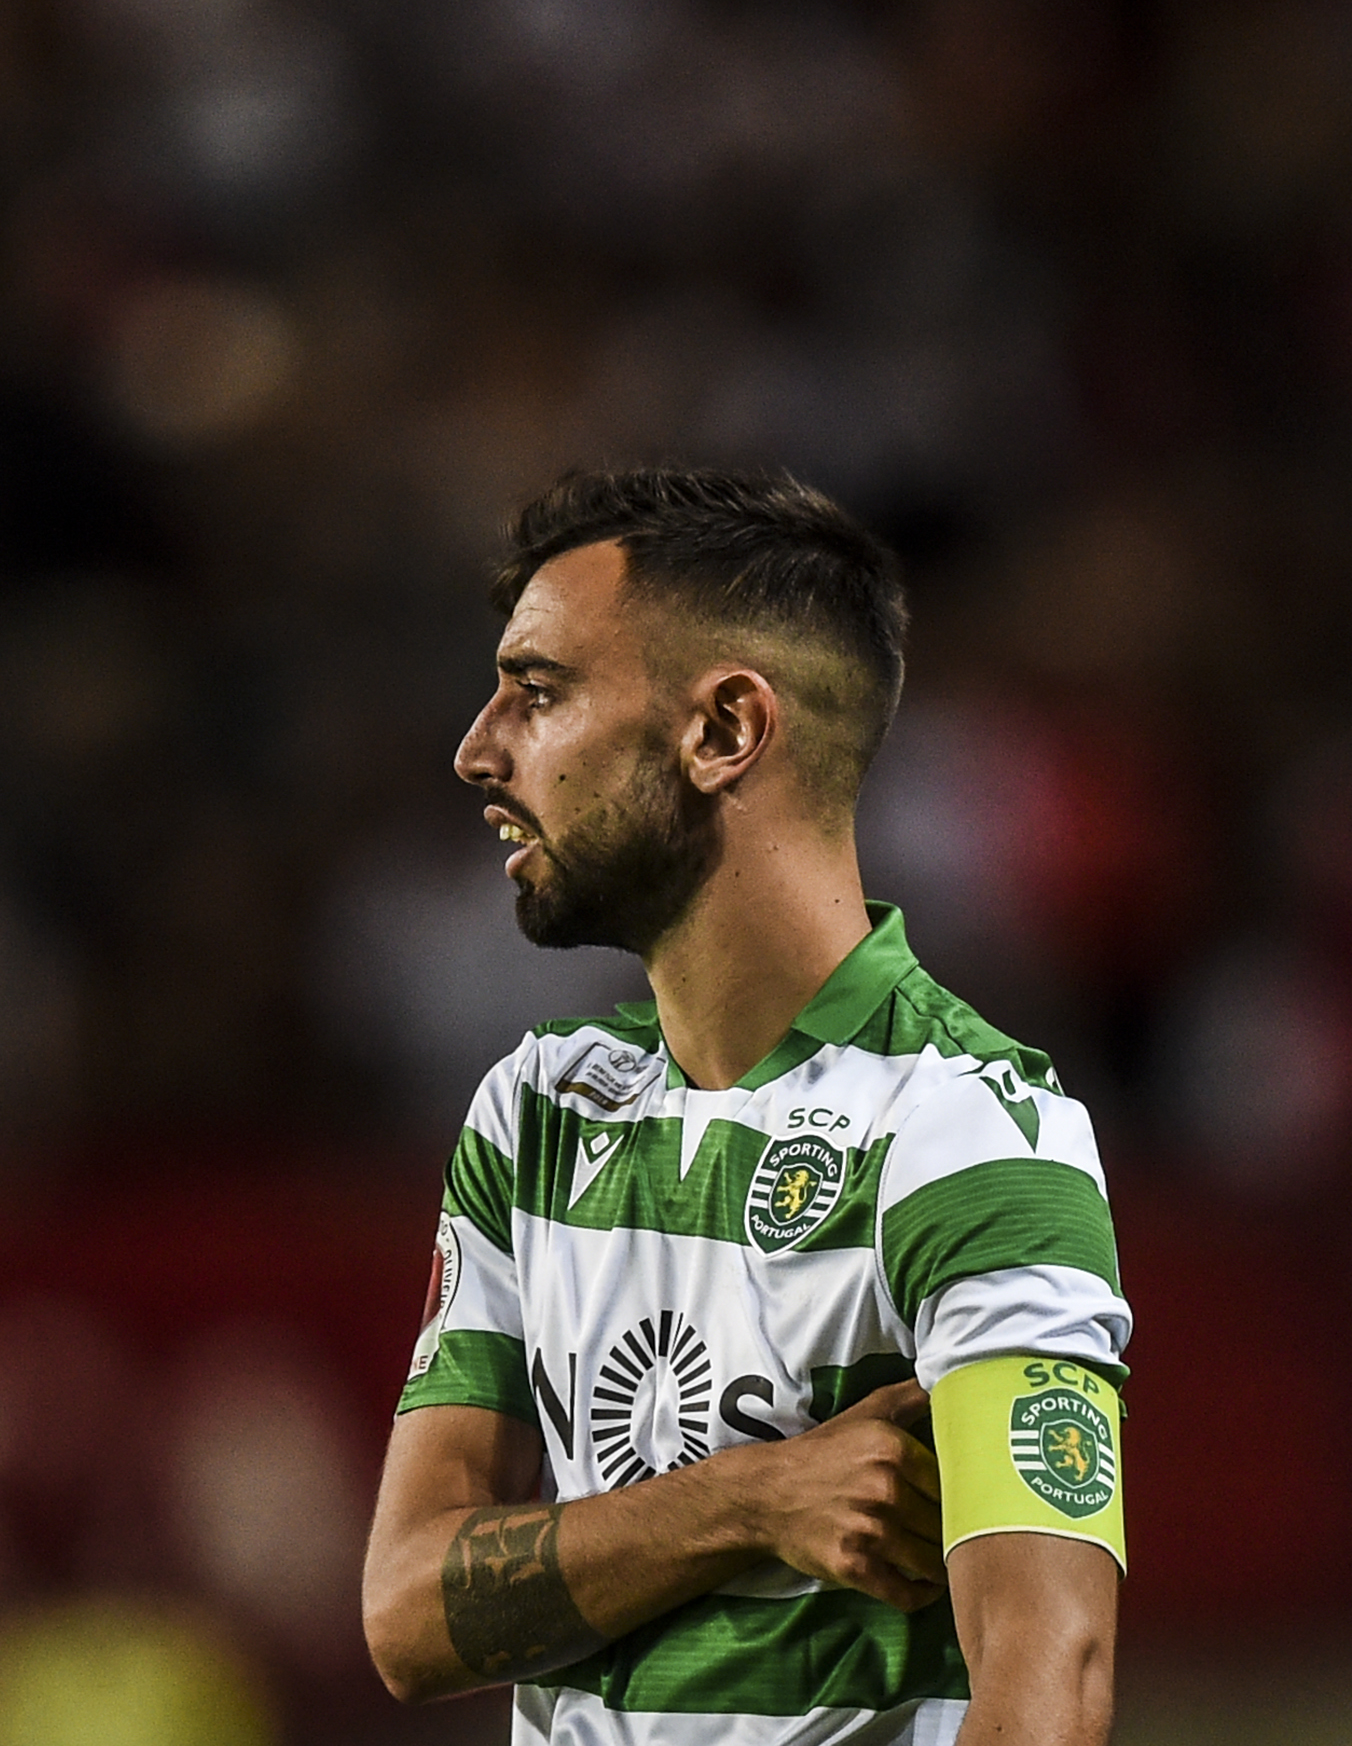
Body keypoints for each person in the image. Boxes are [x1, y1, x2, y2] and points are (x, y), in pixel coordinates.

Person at [361, 468, 1127, 1745]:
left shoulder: (972, 1134)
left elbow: (1050, 1682)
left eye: (538, 692)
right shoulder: (537, 1115)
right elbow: (405, 1613)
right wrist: (750, 1497)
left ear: (724, 730)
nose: (477, 749)